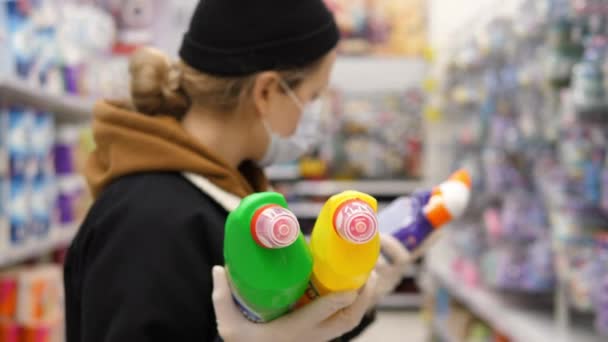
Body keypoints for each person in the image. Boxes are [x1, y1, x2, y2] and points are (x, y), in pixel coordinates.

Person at [64, 0, 412, 341]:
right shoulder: (147, 221)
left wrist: (346, 302)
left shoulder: (228, 188)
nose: (314, 116)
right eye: (313, 95)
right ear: (266, 91)